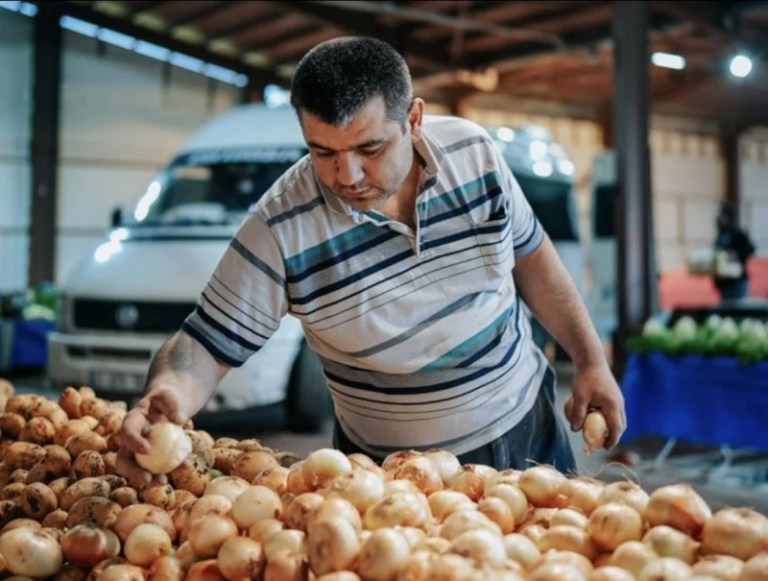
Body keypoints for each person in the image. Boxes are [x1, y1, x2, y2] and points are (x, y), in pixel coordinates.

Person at [117, 36, 626, 488]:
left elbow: (532, 256)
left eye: (370, 147)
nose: (347, 175)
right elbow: (205, 342)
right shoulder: (280, 226)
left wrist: (590, 360)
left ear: (414, 118)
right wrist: (167, 393)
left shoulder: (475, 154)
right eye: (323, 152)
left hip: (528, 426)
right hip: (387, 481)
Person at [712, 202, 755, 302]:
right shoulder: (721, 233)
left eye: (720, 216)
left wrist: (735, 255)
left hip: (736, 281)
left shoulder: (736, 232)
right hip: (723, 282)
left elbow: (750, 248)